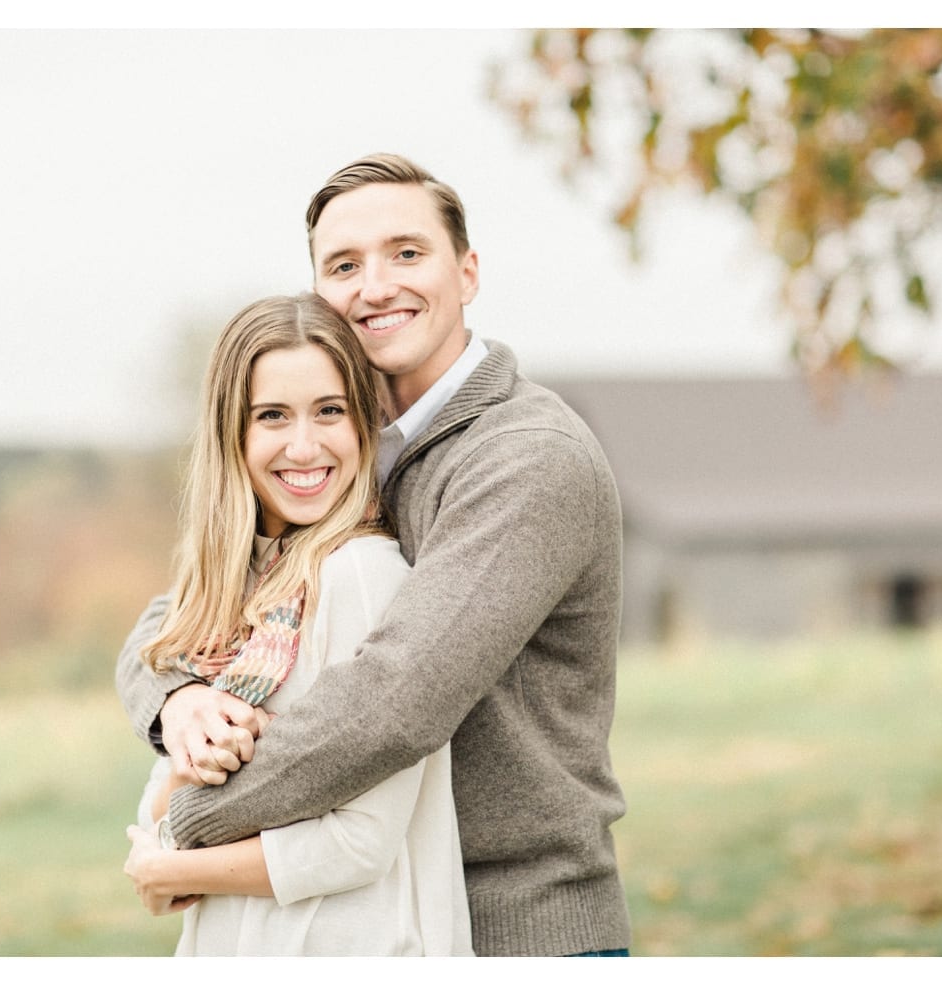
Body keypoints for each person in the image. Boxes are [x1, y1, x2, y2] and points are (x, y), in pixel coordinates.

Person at [117, 154, 631, 956]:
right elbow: (182, 612)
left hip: (516, 924)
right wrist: (174, 700)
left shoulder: (526, 457)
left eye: (407, 253)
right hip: (375, 912)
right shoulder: (352, 450)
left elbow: (392, 704)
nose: (377, 285)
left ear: (467, 271)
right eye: (345, 265)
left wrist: (185, 822)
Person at [121, 292, 472, 957]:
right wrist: (192, 721)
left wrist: (174, 867)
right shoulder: (232, 588)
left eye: (329, 411)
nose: (304, 446)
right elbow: (157, 813)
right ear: (235, 433)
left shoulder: (361, 575)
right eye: (273, 416)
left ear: (363, 425)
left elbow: (361, 838)